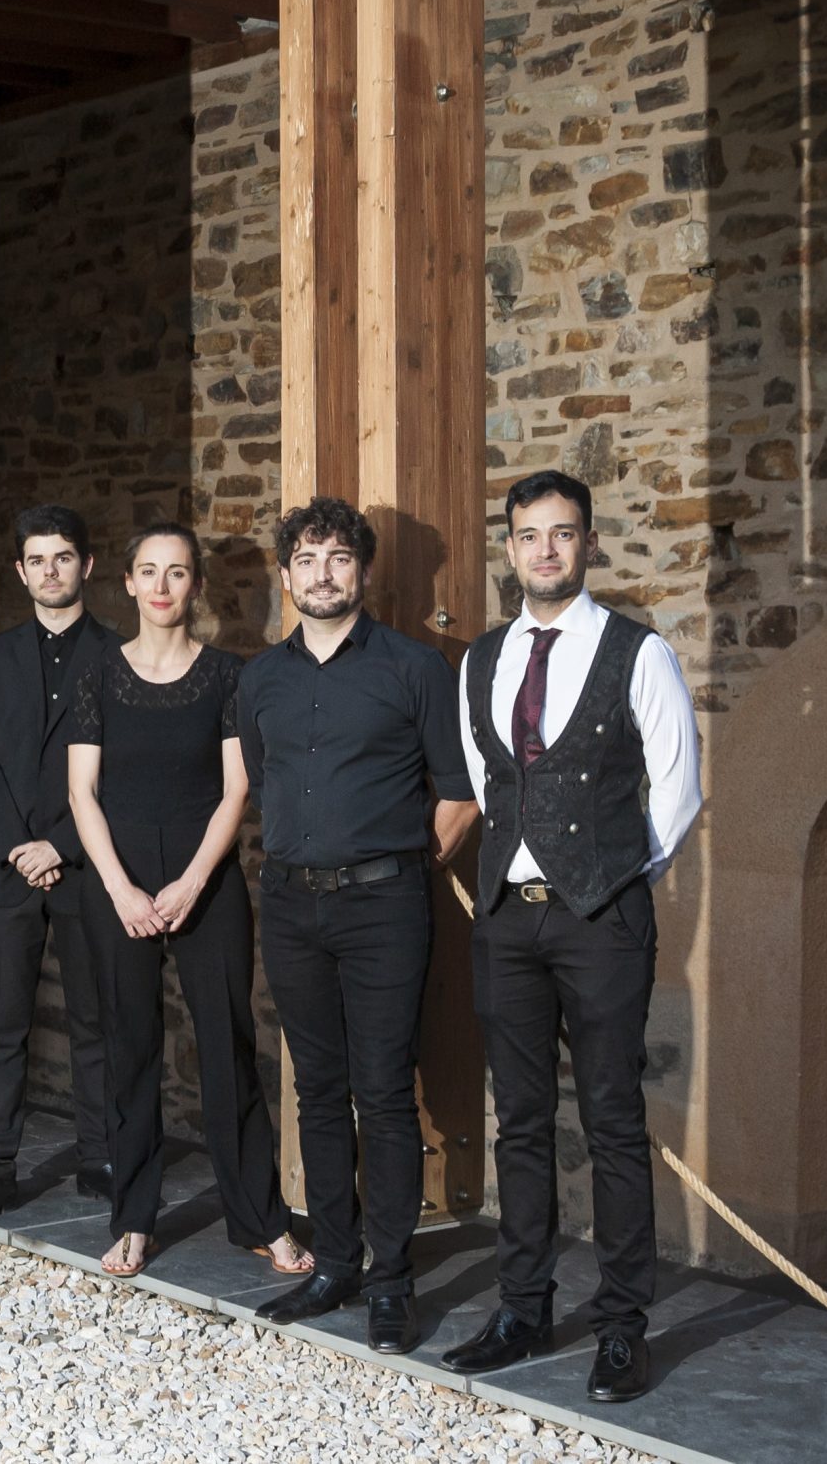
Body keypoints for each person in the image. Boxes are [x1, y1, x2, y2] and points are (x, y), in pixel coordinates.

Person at [442, 470, 702, 1404]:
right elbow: (486, 782)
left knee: (614, 1123)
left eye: (563, 534)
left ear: (588, 543)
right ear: (508, 548)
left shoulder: (640, 653)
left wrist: (615, 886)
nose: (545, 549)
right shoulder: (480, 660)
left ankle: (623, 1327)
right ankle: (522, 1307)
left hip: (602, 919)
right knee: (518, 1120)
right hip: (508, 923)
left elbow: (676, 794)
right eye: (528, 535)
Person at [239, 498, 478, 1353]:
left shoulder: (416, 668)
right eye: (306, 558)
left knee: (383, 1091)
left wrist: (402, 869)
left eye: (338, 557)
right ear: (288, 574)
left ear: (364, 571)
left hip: (386, 904)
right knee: (316, 1089)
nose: (323, 572)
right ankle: (334, 1262)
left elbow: (458, 792)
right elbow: (262, 786)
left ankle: (390, 1281)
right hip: (293, 905)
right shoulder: (260, 678)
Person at [66, 523, 310, 1282]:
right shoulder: (98, 674)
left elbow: (237, 787)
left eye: (178, 572)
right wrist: (121, 888)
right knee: (129, 1048)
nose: (164, 585)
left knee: (229, 1046)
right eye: (149, 571)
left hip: (206, 881)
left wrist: (193, 882)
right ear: (130, 584)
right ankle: (134, 1218)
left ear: (195, 585)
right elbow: (81, 790)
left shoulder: (225, 677)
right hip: (120, 881)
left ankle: (260, 1218)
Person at [0, 506, 117, 1232]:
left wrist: (62, 846)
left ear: (87, 565)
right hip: (10, 867)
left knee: (96, 1021)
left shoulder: (118, 655)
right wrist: (21, 843)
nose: (51, 571)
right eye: (37, 560)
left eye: (63, 557)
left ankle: (104, 1157)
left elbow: (122, 768)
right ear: (20, 572)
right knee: (0, 1027)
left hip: (83, 866)